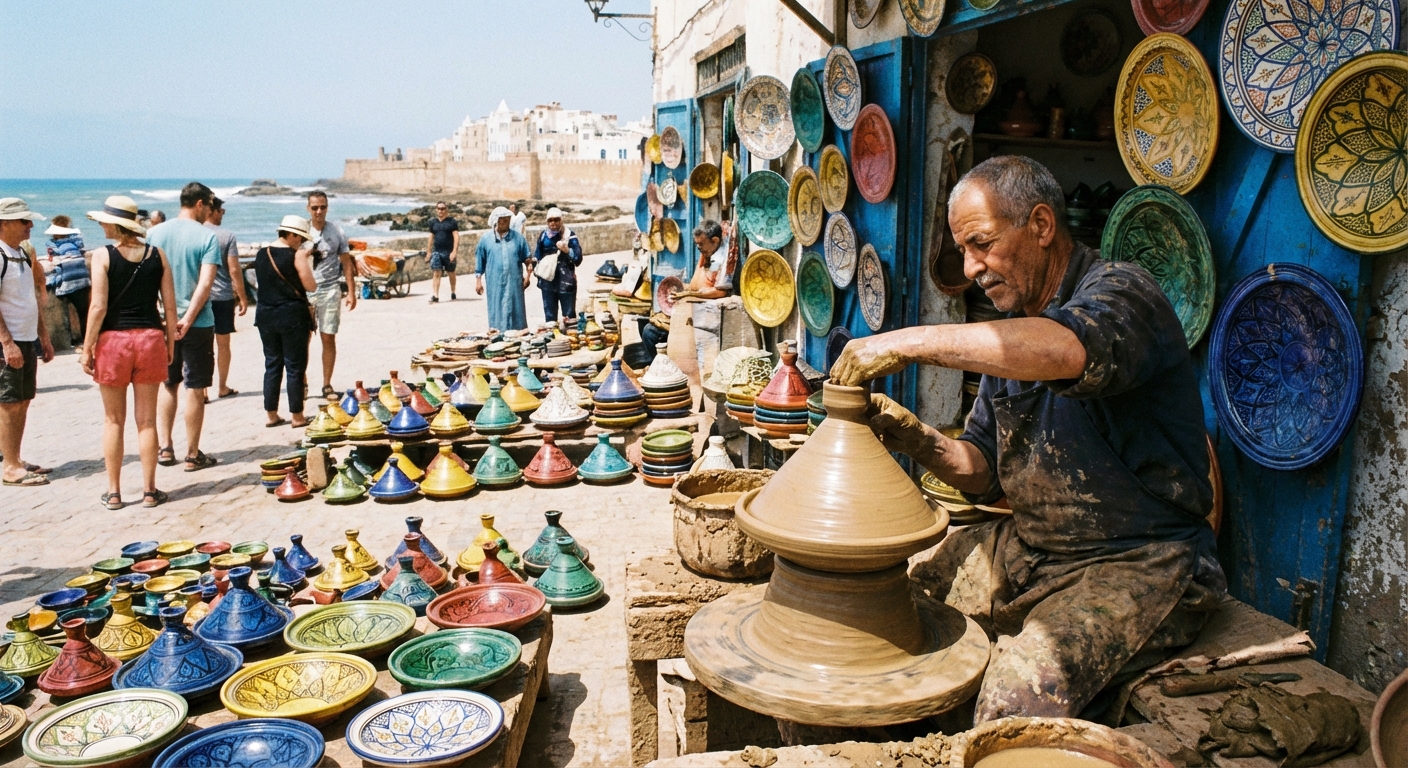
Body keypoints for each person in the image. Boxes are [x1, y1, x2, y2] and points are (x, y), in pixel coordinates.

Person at [829, 156, 1226, 722]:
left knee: (1013, 696)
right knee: (893, 604)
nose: (969, 268)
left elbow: (1067, 350)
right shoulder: (1009, 337)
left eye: (982, 244)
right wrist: (911, 436)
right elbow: (981, 470)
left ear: (1040, 225)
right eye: (963, 250)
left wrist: (904, 342)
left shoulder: (1125, 294)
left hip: (1144, 560)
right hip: (1035, 549)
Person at [81, 195, 178, 509]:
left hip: (114, 343)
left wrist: (86, 347)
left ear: (115, 224)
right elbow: (170, 307)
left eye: (104, 221)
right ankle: (150, 491)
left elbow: (98, 307)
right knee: (147, 422)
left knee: (113, 421)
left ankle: (114, 493)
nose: (101, 226)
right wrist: (171, 344)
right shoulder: (157, 255)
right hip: (150, 339)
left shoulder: (102, 256)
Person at [146, 182, 220, 472]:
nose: (212, 211)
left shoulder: (153, 233)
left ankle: (165, 447)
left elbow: (147, 281)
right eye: (210, 206)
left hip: (163, 322)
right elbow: (205, 283)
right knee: (195, 386)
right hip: (198, 321)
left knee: (169, 383)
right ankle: (192, 453)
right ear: (199, 204)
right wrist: (188, 318)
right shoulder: (206, 237)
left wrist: (163, 317)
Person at [0, 198, 55, 487]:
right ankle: (10, 467)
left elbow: (30, 298)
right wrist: (7, 343)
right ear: (5, 223)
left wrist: (42, 337)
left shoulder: (19, 253)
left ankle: (15, 458)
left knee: (22, 400)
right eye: (23, 221)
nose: (30, 225)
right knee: (10, 401)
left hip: (26, 337)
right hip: (9, 341)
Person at [253, 216, 318, 428]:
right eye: (299, 238)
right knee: (295, 366)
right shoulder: (296, 255)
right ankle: (297, 416)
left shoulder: (262, 254)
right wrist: (305, 259)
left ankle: (271, 414)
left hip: (265, 316)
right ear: (290, 235)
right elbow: (311, 286)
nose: (300, 243)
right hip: (291, 315)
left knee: (272, 364)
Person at [641, 219, 735, 351]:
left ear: (715, 241)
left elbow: (721, 292)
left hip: (700, 317)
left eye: (701, 244)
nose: (698, 248)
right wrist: (678, 288)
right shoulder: (706, 255)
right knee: (648, 324)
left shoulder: (720, 261)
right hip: (688, 310)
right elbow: (693, 285)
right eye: (696, 244)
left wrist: (688, 294)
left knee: (650, 332)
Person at [306, 191, 355, 397]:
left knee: (328, 337)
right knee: (302, 340)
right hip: (305, 292)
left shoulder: (336, 231)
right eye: (315, 207)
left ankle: (327, 384)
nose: (319, 211)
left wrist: (351, 292)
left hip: (329, 290)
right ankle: (302, 382)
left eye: (323, 207)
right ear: (308, 208)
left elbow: (346, 263)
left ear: (327, 207)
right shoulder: (300, 231)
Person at [204, 197, 248, 399]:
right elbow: (234, 269)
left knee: (202, 343)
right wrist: (242, 296)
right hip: (222, 296)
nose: (222, 213)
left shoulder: (196, 233)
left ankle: (202, 390)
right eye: (221, 210)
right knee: (223, 343)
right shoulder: (226, 236)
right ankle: (222, 386)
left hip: (198, 296)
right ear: (211, 210)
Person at [474, 206, 531, 331]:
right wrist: (478, 282)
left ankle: (518, 335)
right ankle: (497, 335)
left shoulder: (519, 239)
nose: (505, 222)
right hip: (495, 283)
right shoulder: (485, 240)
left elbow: (527, 258)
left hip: (514, 283)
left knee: (516, 308)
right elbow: (479, 262)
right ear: (495, 221)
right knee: (496, 308)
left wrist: (528, 276)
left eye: (507, 219)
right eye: (502, 220)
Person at [44, 216, 91, 346]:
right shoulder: (77, 240)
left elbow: (54, 261)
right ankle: (84, 339)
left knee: (79, 311)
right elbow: (82, 254)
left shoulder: (52, 245)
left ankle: (82, 341)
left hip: (67, 280)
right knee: (84, 311)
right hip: (82, 277)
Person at [533, 207, 583, 323]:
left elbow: (578, 259)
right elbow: (537, 254)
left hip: (566, 282)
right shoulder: (543, 236)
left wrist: (567, 250)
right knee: (550, 316)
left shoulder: (570, 236)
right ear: (547, 222)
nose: (553, 223)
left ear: (561, 220)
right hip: (547, 282)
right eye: (550, 220)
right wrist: (535, 269)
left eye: (556, 220)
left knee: (569, 316)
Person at [426, 202, 460, 303]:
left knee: (451, 273)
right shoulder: (433, 222)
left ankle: (453, 291)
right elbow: (431, 237)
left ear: (446, 210)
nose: (441, 211)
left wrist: (454, 252)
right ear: (436, 209)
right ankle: (435, 295)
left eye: (443, 208)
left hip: (448, 252)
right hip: (437, 252)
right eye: (439, 208)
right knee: (436, 272)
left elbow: (456, 236)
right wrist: (429, 252)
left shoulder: (452, 222)